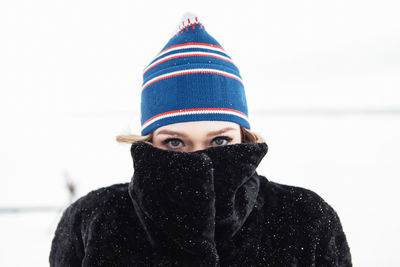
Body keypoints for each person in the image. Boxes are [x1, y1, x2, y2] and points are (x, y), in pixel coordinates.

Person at [49, 12, 352, 266]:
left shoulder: (306, 219)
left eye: (219, 141)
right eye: (174, 142)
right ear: (149, 141)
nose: (199, 160)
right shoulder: (93, 220)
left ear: (244, 136)